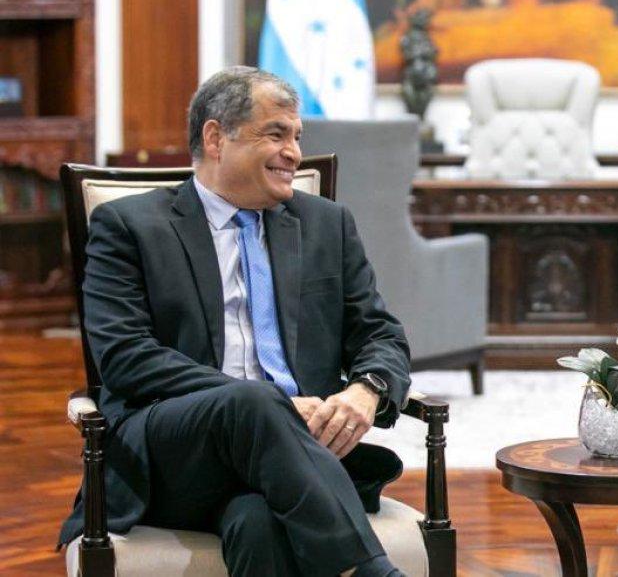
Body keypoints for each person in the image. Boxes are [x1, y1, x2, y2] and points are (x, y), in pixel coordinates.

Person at [58, 67, 413, 577]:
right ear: (215, 137)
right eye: (276, 133)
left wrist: (367, 389)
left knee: (257, 523)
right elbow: (124, 358)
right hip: (176, 452)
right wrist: (269, 407)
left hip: (295, 461)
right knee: (252, 398)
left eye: (296, 136)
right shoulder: (130, 226)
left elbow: (380, 333)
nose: (293, 151)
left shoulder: (325, 225)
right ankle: (372, 571)